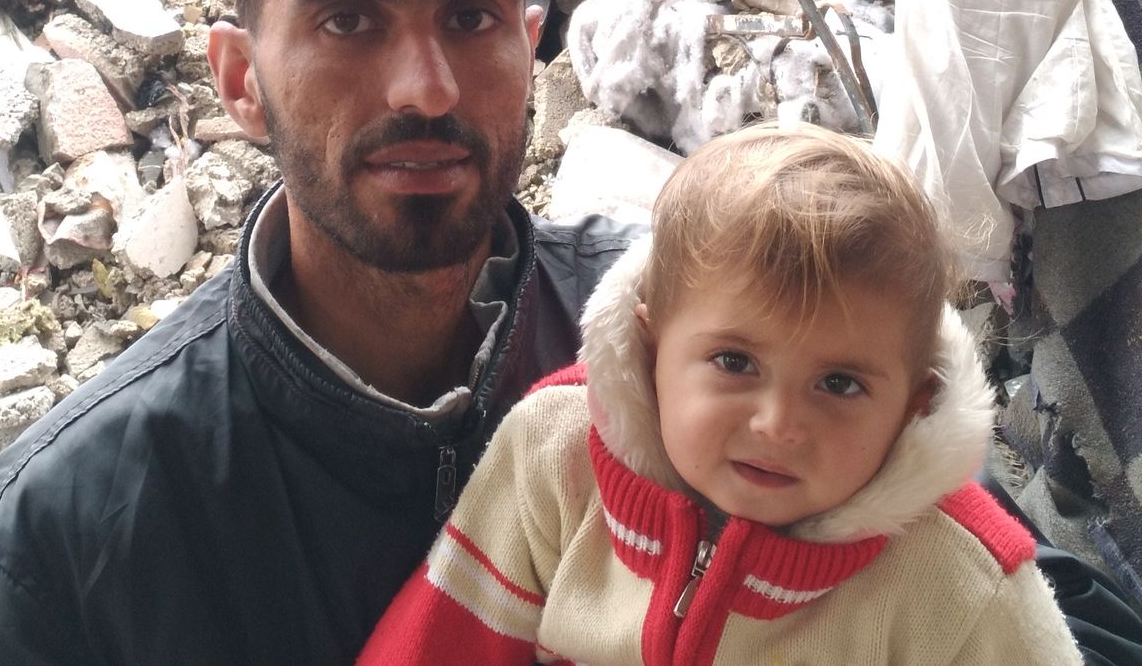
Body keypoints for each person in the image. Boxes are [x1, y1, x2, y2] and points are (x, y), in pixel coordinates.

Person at [0, 0, 639, 663]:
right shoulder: (52, 555)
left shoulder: (682, 345)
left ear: (528, 45)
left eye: (472, 17)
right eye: (348, 21)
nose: (427, 89)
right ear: (241, 82)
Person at [359, 123, 1083, 664]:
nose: (778, 424)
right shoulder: (556, 455)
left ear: (914, 404)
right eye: (735, 362)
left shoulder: (962, 580)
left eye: (839, 383)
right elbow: (443, 639)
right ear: (651, 347)